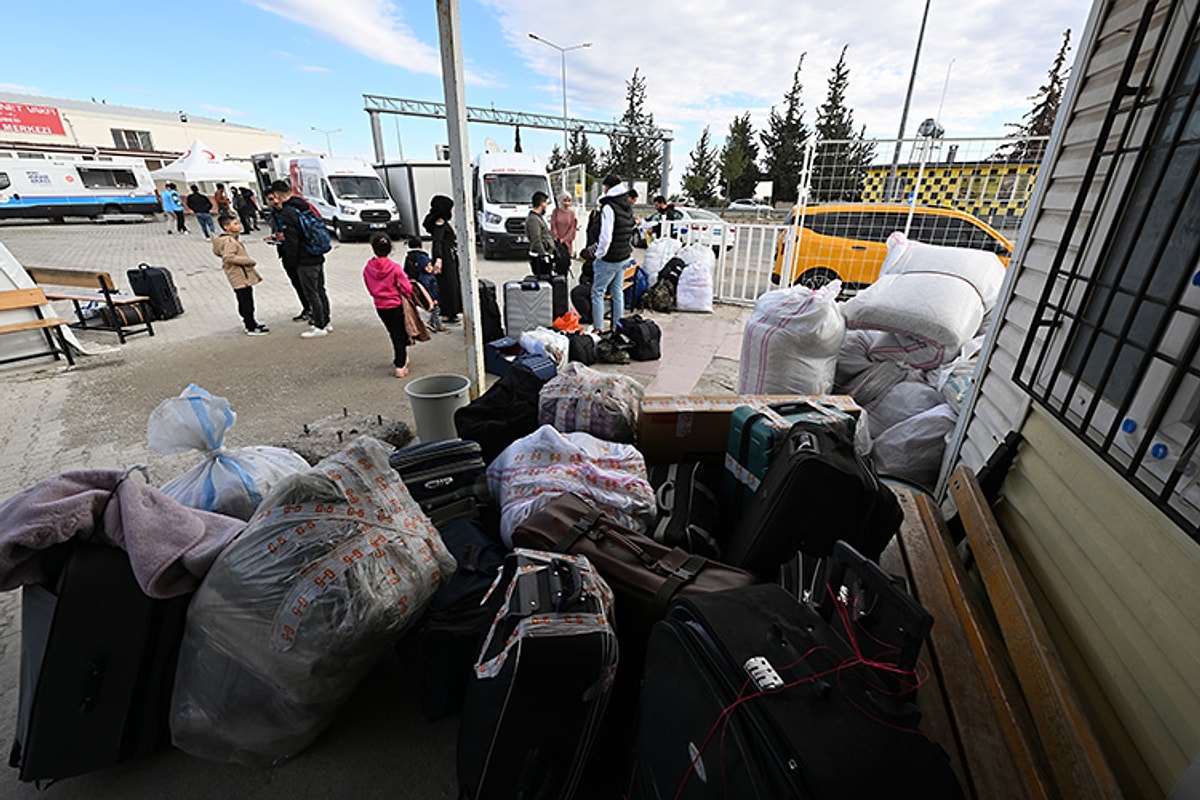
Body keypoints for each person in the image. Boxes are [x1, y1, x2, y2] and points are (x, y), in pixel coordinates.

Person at [264, 180, 331, 338]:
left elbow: (293, 241)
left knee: (311, 293)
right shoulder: (304, 206)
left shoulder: (288, 212)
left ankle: (319, 325)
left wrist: (291, 261)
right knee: (320, 290)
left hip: (304, 258)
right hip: (317, 254)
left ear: (279, 196)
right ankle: (326, 322)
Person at [363, 234, 415, 377]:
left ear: (373, 249)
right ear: (391, 248)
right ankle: (400, 365)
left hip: (380, 306)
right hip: (396, 304)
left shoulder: (368, 268)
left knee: (393, 332)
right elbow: (407, 288)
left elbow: (369, 286)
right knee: (399, 333)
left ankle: (402, 357)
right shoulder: (395, 268)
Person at [591, 175, 635, 333]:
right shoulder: (627, 205)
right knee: (617, 292)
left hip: (610, 258)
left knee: (597, 292)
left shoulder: (609, 207)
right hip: (623, 256)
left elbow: (606, 236)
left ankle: (598, 329)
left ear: (608, 188)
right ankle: (617, 326)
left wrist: (599, 254)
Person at [212, 214, 269, 335]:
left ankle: (252, 323)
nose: (239, 226)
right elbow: (228, 257)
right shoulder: (229, 241)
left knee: (246, 300)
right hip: (239, 275)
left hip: (239, 274)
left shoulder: (229, 239)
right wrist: (249, 261)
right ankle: (250, 326)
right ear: (226, 227)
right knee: (246, 301)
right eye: (235, 224)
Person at [423, 195, 463, 325]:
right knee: (448, 284)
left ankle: (449, 311)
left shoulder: (441, 221)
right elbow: (438, 242)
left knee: (449, 283)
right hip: (445, 256)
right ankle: (448, 312)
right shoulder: (440, 222)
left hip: (447, 254)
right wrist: (439, 259)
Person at [403, 237, 445, 332]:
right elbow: (430, 288)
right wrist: (434, 298)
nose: (431, 267)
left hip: (414, 285)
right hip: (428, 292)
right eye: (429, 265)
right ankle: (437, 325)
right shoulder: (424, 261)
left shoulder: (409, 257)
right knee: (435, 309)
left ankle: (431, 322)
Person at [525, 190, 555, 278]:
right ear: (541, 203)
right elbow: (536, 239)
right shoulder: (533, 219)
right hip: (539, 258)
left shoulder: (539, 218)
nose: (546, 206)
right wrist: (544, 255)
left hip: (545, 255)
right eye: (545, 203)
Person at [550, 191, 577, 256]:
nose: (567, 203)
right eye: (565, 200)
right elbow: (553, 225)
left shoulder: (571, 213)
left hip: (567, 243)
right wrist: (556, 237)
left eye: (569, 201)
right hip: (557, 242)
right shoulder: (556, 212)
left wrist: (564, 239)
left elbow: (572, 229)